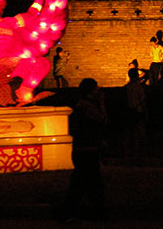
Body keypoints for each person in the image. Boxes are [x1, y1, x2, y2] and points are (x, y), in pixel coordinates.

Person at [58, 78, 108, 222]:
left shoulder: (82, 104)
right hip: (86, 151)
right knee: (90, 183)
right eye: (96, 89)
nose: (98, 92)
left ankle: (71, 212)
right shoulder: (87, 105)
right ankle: (94, 212)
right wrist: (102, 103)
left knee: (82, 183)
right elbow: (102, 119)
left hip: (84, 149)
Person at [123, 68, 147, 159]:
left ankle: (126, 154)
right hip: (137, 111)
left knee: (128, 133)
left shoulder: (126, 87)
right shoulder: (138, 88)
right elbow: (142, 101)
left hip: (128, 111)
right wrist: (145, 112)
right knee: (137, 133)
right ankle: (136, 154)